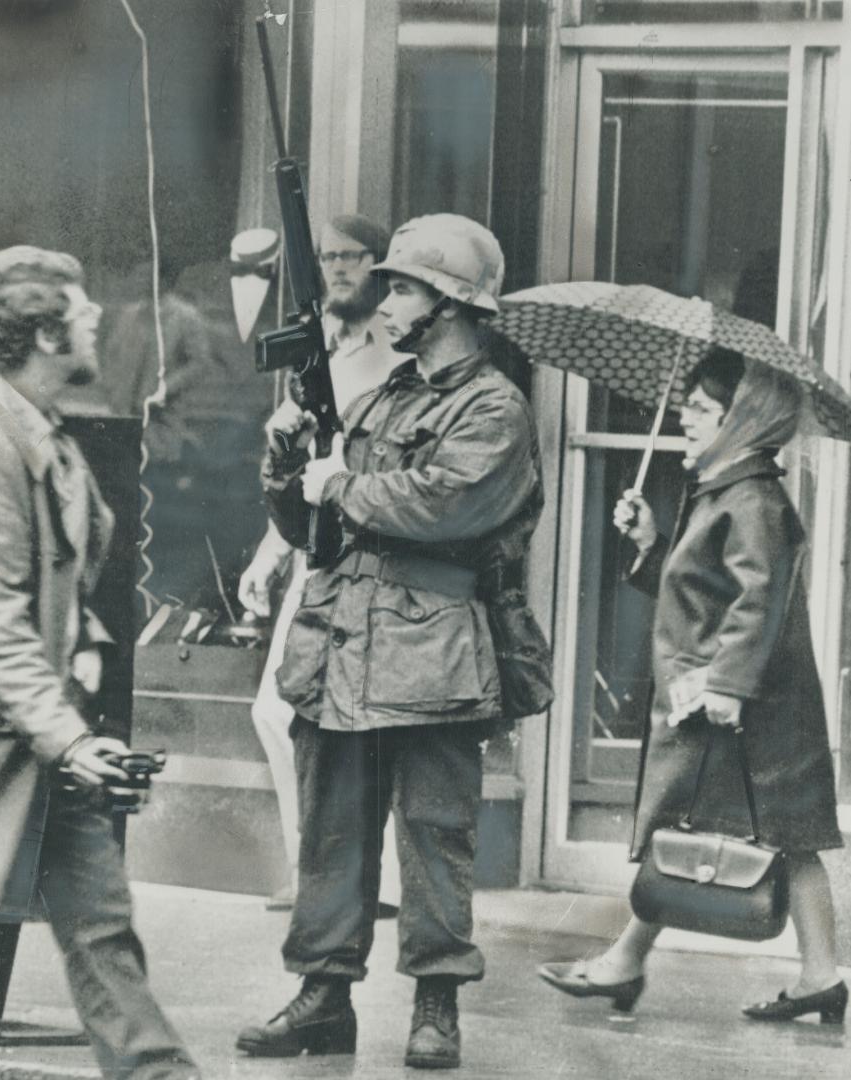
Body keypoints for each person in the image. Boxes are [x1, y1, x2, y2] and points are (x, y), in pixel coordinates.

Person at [236, 214, 542, 1069]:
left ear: (446, 303)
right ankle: (323, 996)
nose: (386, 298)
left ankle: (436, 1004)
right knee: (331, 831)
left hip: (434, 648)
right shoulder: (378, 397)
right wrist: (287, 460)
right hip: (341, 642)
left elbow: (451, 506)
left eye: (403, 285)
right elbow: (309, 528)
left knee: (434, 836)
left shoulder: (495, 407)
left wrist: (346, 483)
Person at [0, 247, 200, 1079]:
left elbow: (57, 587)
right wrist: (73, 741)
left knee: (103, 932)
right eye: (79, 312)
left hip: (27, 742)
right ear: (44, 333)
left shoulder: (33, 429)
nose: (96, 320)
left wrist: (81, 674)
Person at [540, 350, 845, 1023]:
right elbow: (704, 595)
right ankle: (819, 975)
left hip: (741, 705)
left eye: (701, 409)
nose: (685, 417)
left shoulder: (751, 498)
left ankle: (623, 961)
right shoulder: (729, 491)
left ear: (741, 419)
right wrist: (651, 545)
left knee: (695, 826)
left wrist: (728, 687)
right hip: (745, 702)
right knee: (774, 833)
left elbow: (757, 600)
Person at [238, 214, 403, 912]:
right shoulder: (323, 352)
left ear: (379, 263)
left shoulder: (400, 354)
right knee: (277, 712)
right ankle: (313, 867)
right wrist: (270, 553)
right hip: (316, 549)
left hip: (377, 553)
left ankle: (376, 882)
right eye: (328, 257)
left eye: (351, 256)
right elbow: (299, 463)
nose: (338, 268)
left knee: (368, 719)